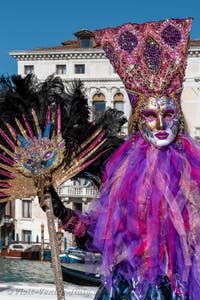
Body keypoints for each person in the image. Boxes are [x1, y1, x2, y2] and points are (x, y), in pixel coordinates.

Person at [48, 18, 200, 299]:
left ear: (178, 117)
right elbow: (100, 237)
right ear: (136, 122)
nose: (160, 126)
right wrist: (63, 213)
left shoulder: (193, 172)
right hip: (128, 289)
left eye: (167, 116)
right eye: (150, 117)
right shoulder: (122, 173)